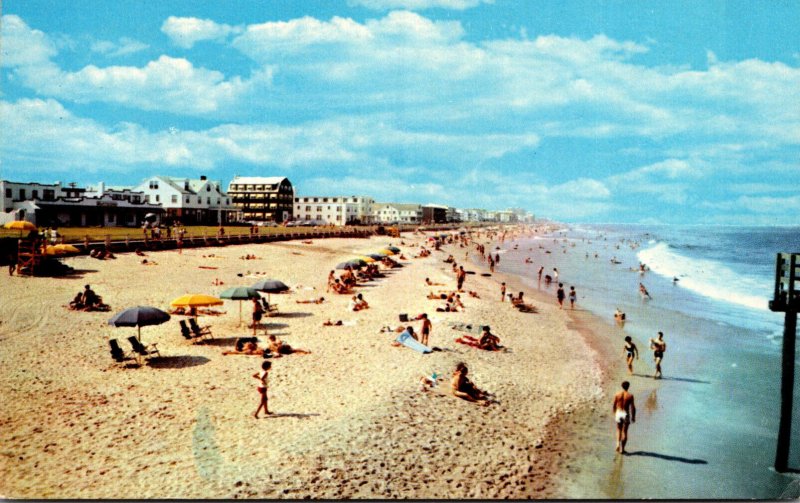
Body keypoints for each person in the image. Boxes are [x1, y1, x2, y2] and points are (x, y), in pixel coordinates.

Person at [612, 381, 636, 453]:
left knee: (618, 429)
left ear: (622, 386)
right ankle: (622, 449)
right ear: (628, 387)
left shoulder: (617, 394)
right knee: (624, 431)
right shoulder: (630, 396)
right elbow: (633, 407)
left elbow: (614, 405)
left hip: (618, 413)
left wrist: (614, 413)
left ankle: (617, 444)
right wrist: (633, 417)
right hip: (625, 413)